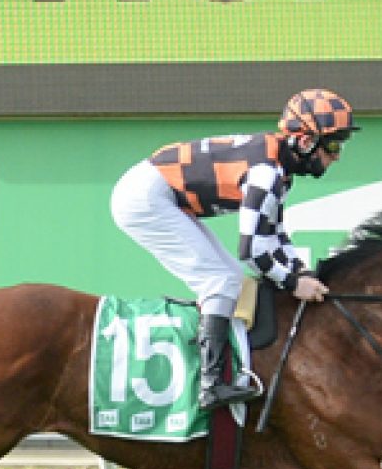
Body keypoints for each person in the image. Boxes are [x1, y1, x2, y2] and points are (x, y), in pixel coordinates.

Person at [110, 88, 359, 410]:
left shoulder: (277, 167)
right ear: (306, 141)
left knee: (227, 275)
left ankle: (215, 365)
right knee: (220, 279)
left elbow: (275, 234)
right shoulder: (267, 173)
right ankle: (211, 384)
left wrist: (300, 270)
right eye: (334, 144)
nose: (337, 155)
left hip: (157, 191)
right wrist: (294, 283)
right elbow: (253, 251)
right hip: (145, 198)